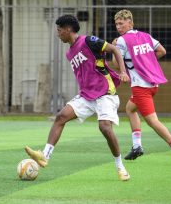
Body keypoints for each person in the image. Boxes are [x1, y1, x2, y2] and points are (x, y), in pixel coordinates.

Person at [25, 15, 131, 181]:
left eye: (59, 31)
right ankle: (45, 155)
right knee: (61, 117)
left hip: (104, 92)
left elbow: (115, 50)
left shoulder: (89, 41)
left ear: (68, 30)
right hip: (87, 95)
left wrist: (123, 72)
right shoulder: (69, 53)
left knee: (105, 128)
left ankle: (120, 166)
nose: (57, 34)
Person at [112, 9, 171, 165]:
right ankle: (137, 147)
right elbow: (162, 51)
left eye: (121, 23)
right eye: (116, 24)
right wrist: (146, 60)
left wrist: (113, 48)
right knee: (130, 109)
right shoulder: (146, 36)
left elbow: (116, 63)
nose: (118, 27)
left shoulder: (121, 40)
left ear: (130, 22)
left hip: (141, 87)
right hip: (153, 84)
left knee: (153, 121)